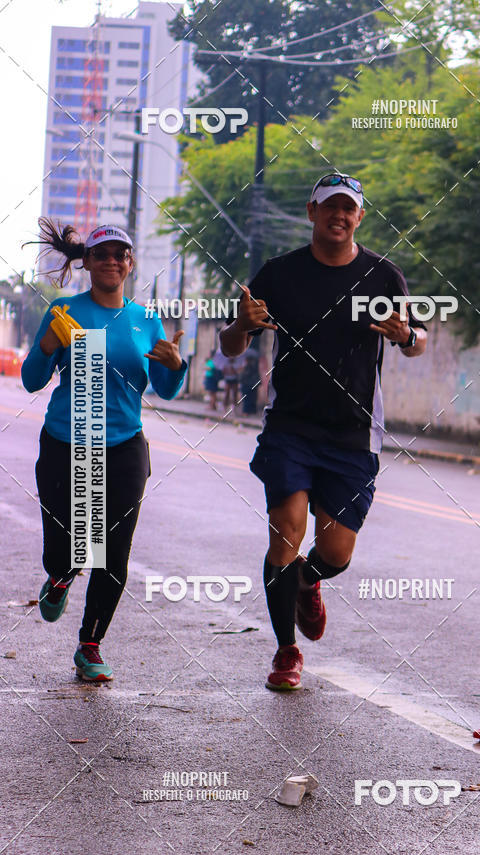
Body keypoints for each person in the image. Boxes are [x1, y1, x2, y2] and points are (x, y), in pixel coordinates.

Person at [220, 173, 427, 690]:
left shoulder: (384, 275)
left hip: (354, 432)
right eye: (329, 206)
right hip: (291, 425)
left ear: (360, 216)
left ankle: (309, 579)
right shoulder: (279, 274)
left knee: (335, 552)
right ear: (311, 213)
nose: (339, 215)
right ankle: (286, 651)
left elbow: (419, 338)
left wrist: (407, 336)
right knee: (287, 529)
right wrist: (243, 325)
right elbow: (230, 345)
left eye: (348, 209)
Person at [22, 219, 187, 682]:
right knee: (69, 548)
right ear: (88, 263)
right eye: (103, 254)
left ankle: (90, 646)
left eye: (121, 254)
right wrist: (48, 345)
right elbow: (33, 379)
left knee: (113, 549)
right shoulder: (64, 310)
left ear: (130, 264)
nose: (112, 261)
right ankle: (59, 578)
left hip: (124, 446)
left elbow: (168, 389)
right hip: (65, 442)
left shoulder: (145, 319)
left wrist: (177, 365)